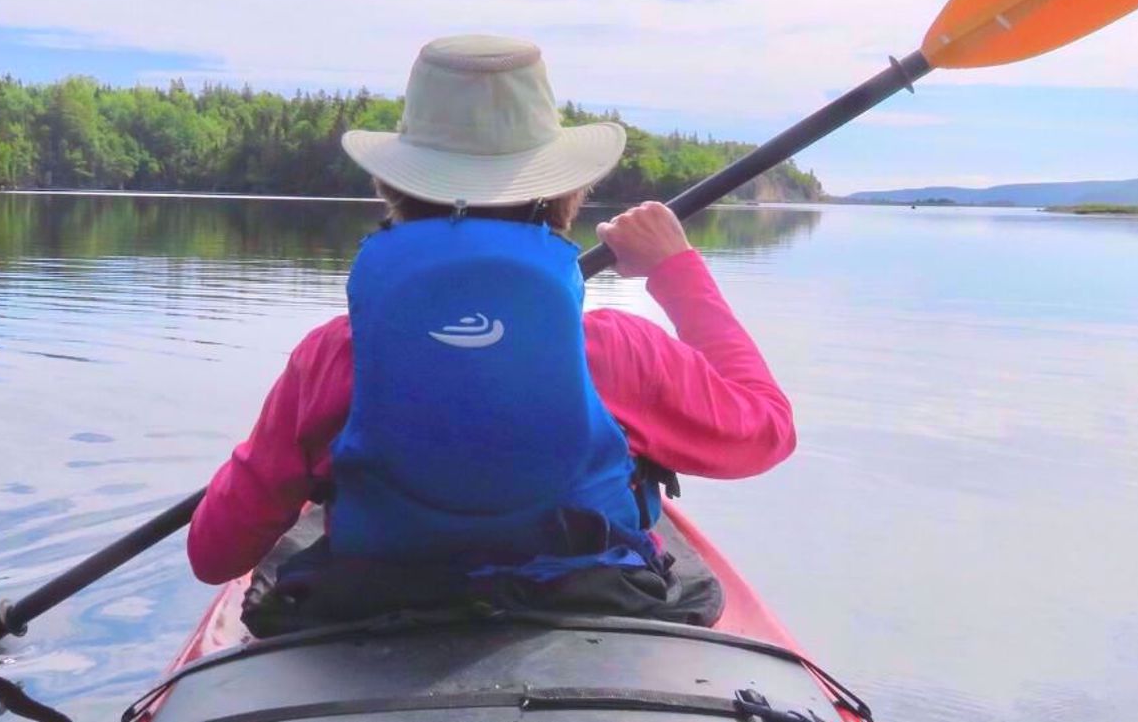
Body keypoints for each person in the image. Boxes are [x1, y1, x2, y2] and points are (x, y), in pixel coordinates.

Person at [188, 34, 794, 632]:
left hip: (370, 607)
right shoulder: (619, 352)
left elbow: (214, 553)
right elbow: (767, 431)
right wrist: (674, 270)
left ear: (390, 190)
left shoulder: (335, 357)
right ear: (569, 194)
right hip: (599, 603)